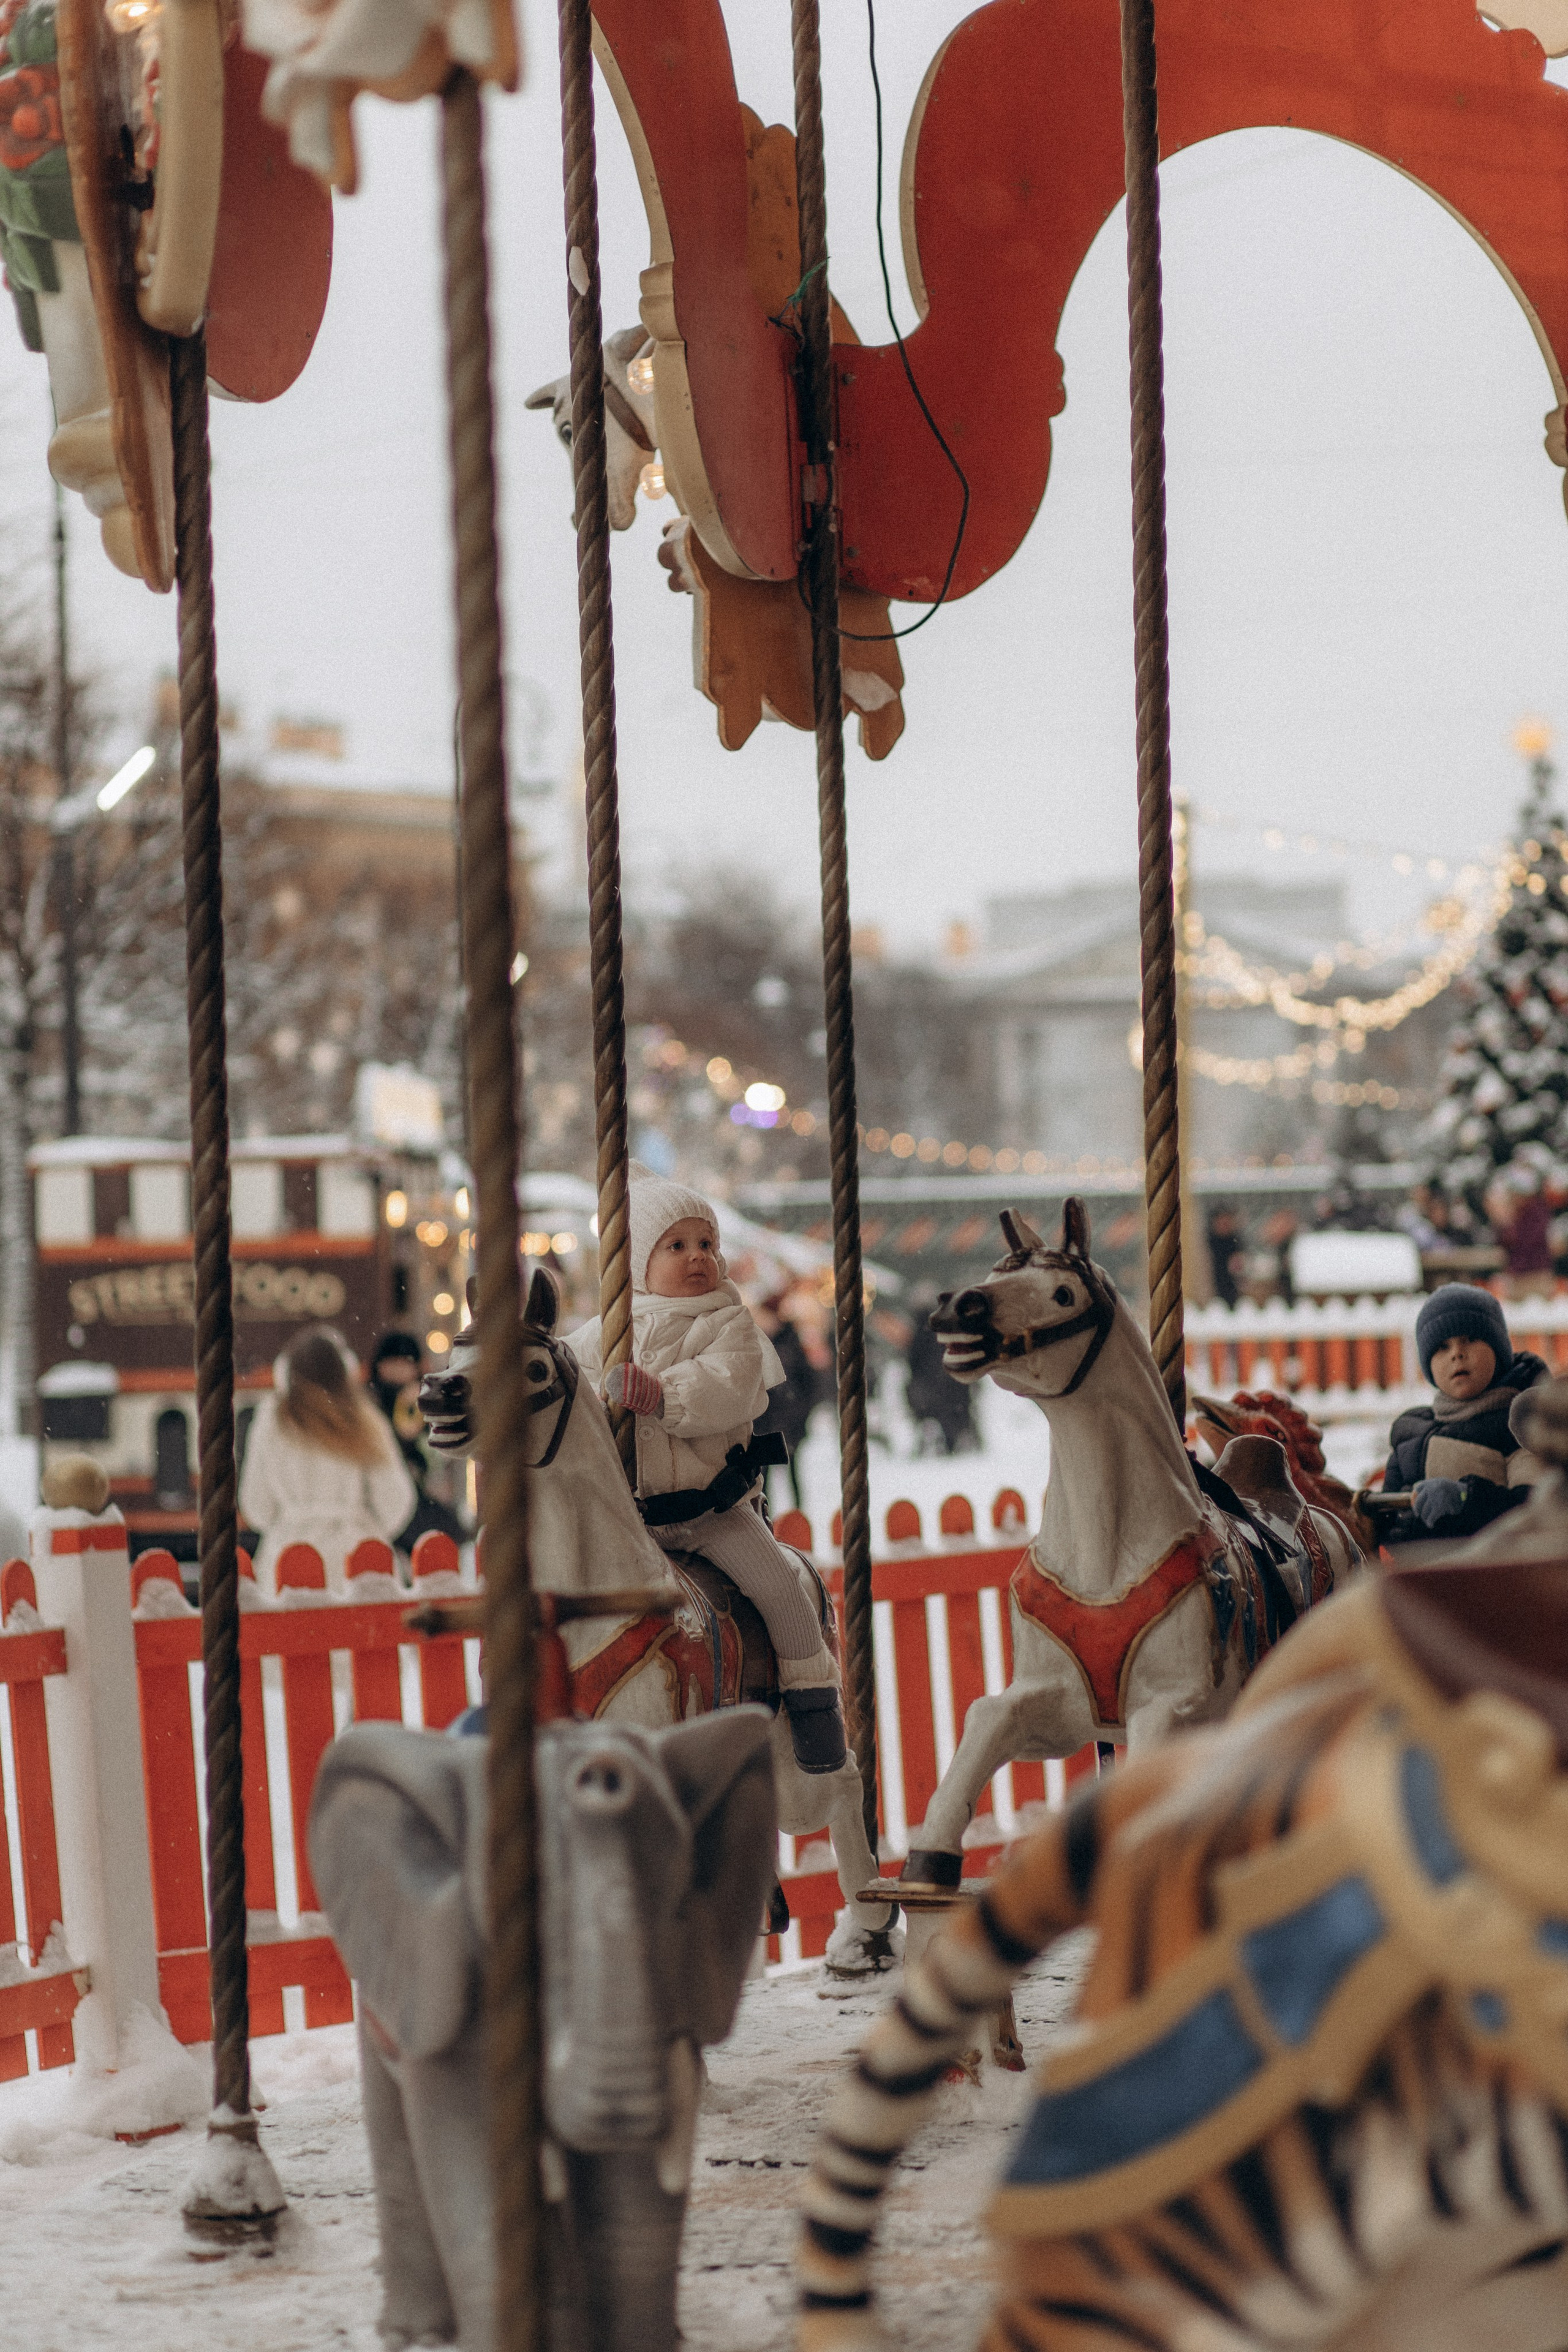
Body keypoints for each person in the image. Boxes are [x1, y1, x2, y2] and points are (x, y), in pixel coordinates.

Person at [565, 1170, 847, 1773]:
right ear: (636, 1261)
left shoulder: (728, 1322)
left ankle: (812, 1695)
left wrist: (661, 1394)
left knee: (779, 1587)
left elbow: (730, 1387)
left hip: (711, 1511)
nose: (698, 1257)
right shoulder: (598, 1336)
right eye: (676, 1245)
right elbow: (573, 1401)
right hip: (630, 1520)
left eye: (707, 1244)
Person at [240, 1325, 417, 1594]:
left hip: (288, 1560)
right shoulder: (363, 1418)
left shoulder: (271, 1421)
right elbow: (394, 1503)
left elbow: (256, 1507)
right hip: (356, 1559)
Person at [1382, 1284, 1548, 1545]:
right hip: (1418, 1568)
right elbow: (1383, 1519)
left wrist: (1466, 1499)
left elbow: (1538, 1508)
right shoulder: (1410, 1434)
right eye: (1442, 1347)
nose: (1457, 1354)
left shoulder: (1523, 1425)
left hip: (1496, 1566)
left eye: (1470, 1339)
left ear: (1498, 1350)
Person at [368, 1329, 467, 1553]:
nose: (398, 1370)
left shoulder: (428, 1403)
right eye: (392, 1363)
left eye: (405, 1363)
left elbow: (439, 1458)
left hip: (424, 1499)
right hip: (388, 1500)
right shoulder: (371, 1406)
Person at [752, 1294, 818, 1513]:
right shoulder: (758, 1342)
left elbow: (808, 1383)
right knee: (764, 1477)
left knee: (792, 1472)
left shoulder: (790, 1343)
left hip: (787, 1421)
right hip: (766, 1423)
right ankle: (767, 1515)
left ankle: (798, 1516)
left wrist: (798, 1412)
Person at [905, 1300, 976, 1455]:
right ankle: (955, 1442)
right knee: (952, 1417)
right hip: (951, 1384)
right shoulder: (948, 1329)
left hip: (931, 1387)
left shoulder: (920, 1331)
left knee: (937, 1415)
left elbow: (913, 1361)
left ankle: (939, 1442)